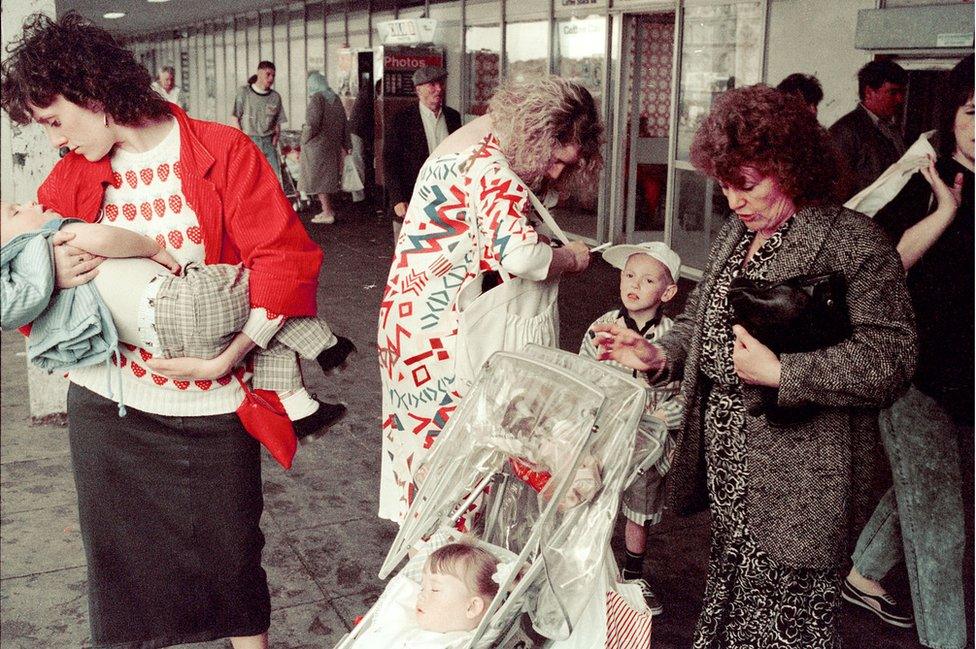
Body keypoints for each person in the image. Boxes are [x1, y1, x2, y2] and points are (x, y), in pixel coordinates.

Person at [0, 13, 324, 648]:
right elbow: (22, 287)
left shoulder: (222, 150)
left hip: (215, 399)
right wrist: (52, 274)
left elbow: (285, 261)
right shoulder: (70, 177)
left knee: (233, 553)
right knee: (120, 569)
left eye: (56, 121)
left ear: (92, 94)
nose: (57, 144)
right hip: (108, 406)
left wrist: (228, 356)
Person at [593, 84, 916, 647]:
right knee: (737, 601)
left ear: (790, 168)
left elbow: (892, 358)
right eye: (724, 185)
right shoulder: (736, 235)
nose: (733, 201)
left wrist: (785, 374)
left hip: (803, 478)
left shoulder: (852, 242)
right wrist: (658, 353)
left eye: (746, 185)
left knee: (786, 623)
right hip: (730, 466)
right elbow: (700, 325)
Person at [376, 76, 602, 525]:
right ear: (541, 134)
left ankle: (432, 556)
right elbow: (520, 256)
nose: (557, 173)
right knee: (461, 457)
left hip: (409, 321)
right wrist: (571, 260)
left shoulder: (473, 139)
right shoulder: (495, 167)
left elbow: (471, 232)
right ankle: (449, 565)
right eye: (558, 160)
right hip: (445, 332)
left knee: (422, 450)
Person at [0, 200, 352, 442]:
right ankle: (325, 344)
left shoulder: (31, 292)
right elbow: (106, 237)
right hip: (178, 302)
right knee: (263, 286)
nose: (32, 203)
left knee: (260, 340)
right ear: (11, 246)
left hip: (166, 343)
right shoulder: (57, 237)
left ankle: (300, 408)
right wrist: (151, 248)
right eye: (17, 211)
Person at [842, 54, 972, 649]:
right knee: (940, 520)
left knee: (923, 488)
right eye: (973, 112)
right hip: (914, 373)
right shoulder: (922, 176)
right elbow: (881, 266)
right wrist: (946, 211)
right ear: (952, 116)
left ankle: (863, 573)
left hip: (967, 375)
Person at [579, 241, 684, 617]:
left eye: (648, 278)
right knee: (595, 497)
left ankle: (633, 574)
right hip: (605, 433)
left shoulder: (674, 338)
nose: (634, 283)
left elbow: (687, 392)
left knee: (639, 508)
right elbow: (583, 374)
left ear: (667, 291)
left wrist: (665, 416)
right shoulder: (602, 327)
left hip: (650, 441)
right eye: (629, 275)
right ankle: (592, 569)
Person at [351, 542, 500, 648]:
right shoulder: (405, 623)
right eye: (422, 588)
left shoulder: (454, 643)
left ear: (472, 607)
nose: (420, 596)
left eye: (434, 589)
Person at [383, 66, 461, 238]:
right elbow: (390, 162)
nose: (439, 89)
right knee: (409, 254)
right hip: (411, 200)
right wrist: (397, 199)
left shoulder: (453, 117)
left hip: (447, 199)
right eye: (432, 84)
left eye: (441, 83)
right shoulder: (401, 120)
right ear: (418, 89)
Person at [830, 59, 908, 199]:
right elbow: (835, 189)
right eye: (893, 92)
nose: (900, 99)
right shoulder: (845, 131)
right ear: (869, 92)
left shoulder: (892, 129)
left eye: (902, 92)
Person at [300, 72, 350, 225]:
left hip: (318, 146)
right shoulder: (334, 98)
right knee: (327, 179)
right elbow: (344, 122)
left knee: (318, 179)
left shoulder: (317, 98)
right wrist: (346, 144)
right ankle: (327, 209)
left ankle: (327, 212)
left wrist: (304, 139)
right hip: (332, 145)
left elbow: (312, 124)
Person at [233, 60, 286, 184]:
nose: (271, 78)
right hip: (250, 141)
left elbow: (277, 121)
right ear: (259, 73)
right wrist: (242, 140)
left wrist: (276, 136)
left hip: (268, 143)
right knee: (249, 180)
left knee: (274, 180)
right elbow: (235, 118)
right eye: (268, 74)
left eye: (273, 75)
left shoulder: (275, 97)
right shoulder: (244, 92)